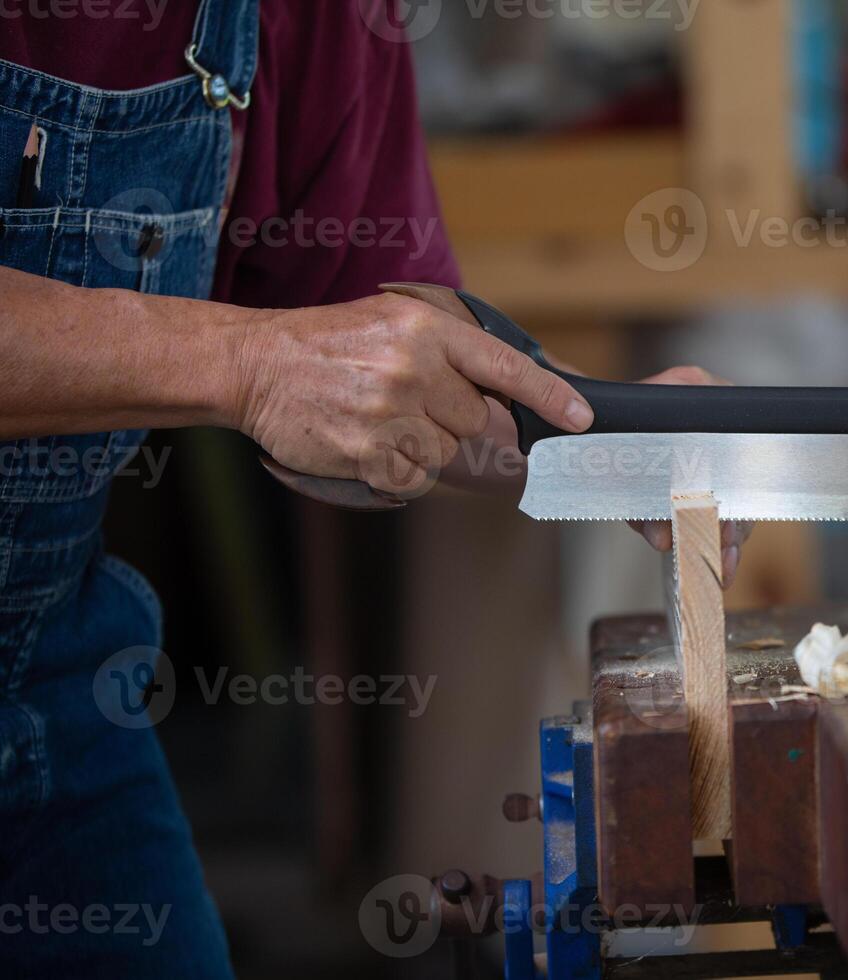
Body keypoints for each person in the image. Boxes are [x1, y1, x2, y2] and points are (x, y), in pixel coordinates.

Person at [0, 3, 748, 975]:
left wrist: (598, 438)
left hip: (47, 673)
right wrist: (247, 361)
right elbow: (284, 356)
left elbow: (376, 343)